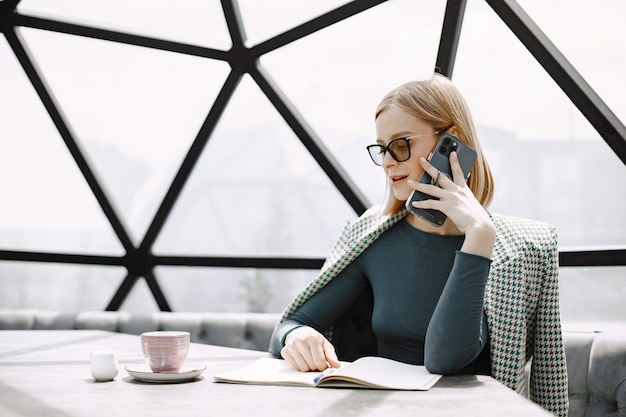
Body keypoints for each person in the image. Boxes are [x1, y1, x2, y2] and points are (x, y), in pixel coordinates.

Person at [269, 73, 568, 416]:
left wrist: (479, 237)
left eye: (400, 144)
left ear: (451, 143)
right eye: (381, 149)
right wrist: (298, 338)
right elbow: (288, 326)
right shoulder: (371, 235)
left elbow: (446, 358)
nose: (387, 162)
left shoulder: (527, 248)